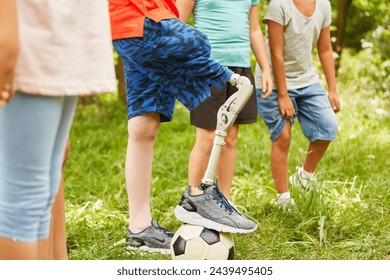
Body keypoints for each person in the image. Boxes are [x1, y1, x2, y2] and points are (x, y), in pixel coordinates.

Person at [108, 0, 258, 254]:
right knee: (196, 42)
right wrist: (227, 77)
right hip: (138, 17)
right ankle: (199, 195)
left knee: (145, 125)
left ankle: (140, 229)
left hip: (142, 21)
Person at [0, 0, 116, 259]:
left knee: (41, 195)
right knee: (22, 200)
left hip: (62, 30)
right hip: (29, 29)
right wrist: (5, 27)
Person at [175, 0, 273, 199]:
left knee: (230, 139)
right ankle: (193, 198)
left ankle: (224, 200)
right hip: (208, 68)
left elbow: (254, 30)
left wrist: (265, 68)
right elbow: (178, 25)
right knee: (207, 138)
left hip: (240, 68)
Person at [255, 0, 340, 206]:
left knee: (328, 127)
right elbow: (276, 53)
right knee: (283, 137)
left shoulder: (323, 5)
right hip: (274, 83)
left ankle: (304, 177)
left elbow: (325, 49)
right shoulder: (280, 5)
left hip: (307, 80)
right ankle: (283, 198)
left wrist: (332, 89)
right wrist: (283, 95)